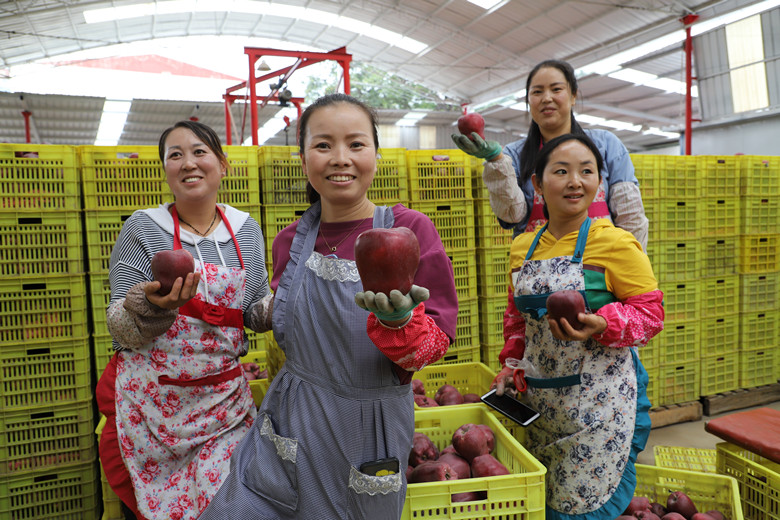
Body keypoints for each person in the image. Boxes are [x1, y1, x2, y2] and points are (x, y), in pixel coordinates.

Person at [200, 93, 459, 519]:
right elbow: (286, 319)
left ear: (376, 155)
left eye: (356, 144)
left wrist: (401, 325)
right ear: (303, 161)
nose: (340, 158)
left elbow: (435, 344)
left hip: (368, 429)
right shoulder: (290, 241)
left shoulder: (410, 231)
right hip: (291, 420)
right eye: (323, 145)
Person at [95, 120, 272, 520]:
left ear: (223, 164)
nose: (187, 162)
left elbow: (253, 312)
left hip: (222, 407)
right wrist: (152, 307)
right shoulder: (143, 227)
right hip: (153, 411)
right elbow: (119, 324)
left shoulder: (246, 230)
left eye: (198, 151)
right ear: (165, 170)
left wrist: (288, 304)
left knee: (232, 503)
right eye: (175, 155)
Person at [492, 133, 664, 520]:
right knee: (545, 504)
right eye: (562, 171)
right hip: (541, 403)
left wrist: (604, 322)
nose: (576, 181)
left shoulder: (617, 244)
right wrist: (511, 363)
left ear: (599, 183)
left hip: (600, 407)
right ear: (537, 184)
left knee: (581, 508)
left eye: (587, 171)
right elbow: (517, 319)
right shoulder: (522, 248)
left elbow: (651, 316)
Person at [452, 59, 649, 249]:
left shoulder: (606, 145)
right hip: (539, 271)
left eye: (556, 89)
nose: (547, 98)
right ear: (529, 101)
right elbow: (512, 215)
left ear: (573, 96)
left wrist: (633, 264)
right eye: (537, 92)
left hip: (601, 267)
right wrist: (496, 160)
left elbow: (630, 217)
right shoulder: (514, 155)